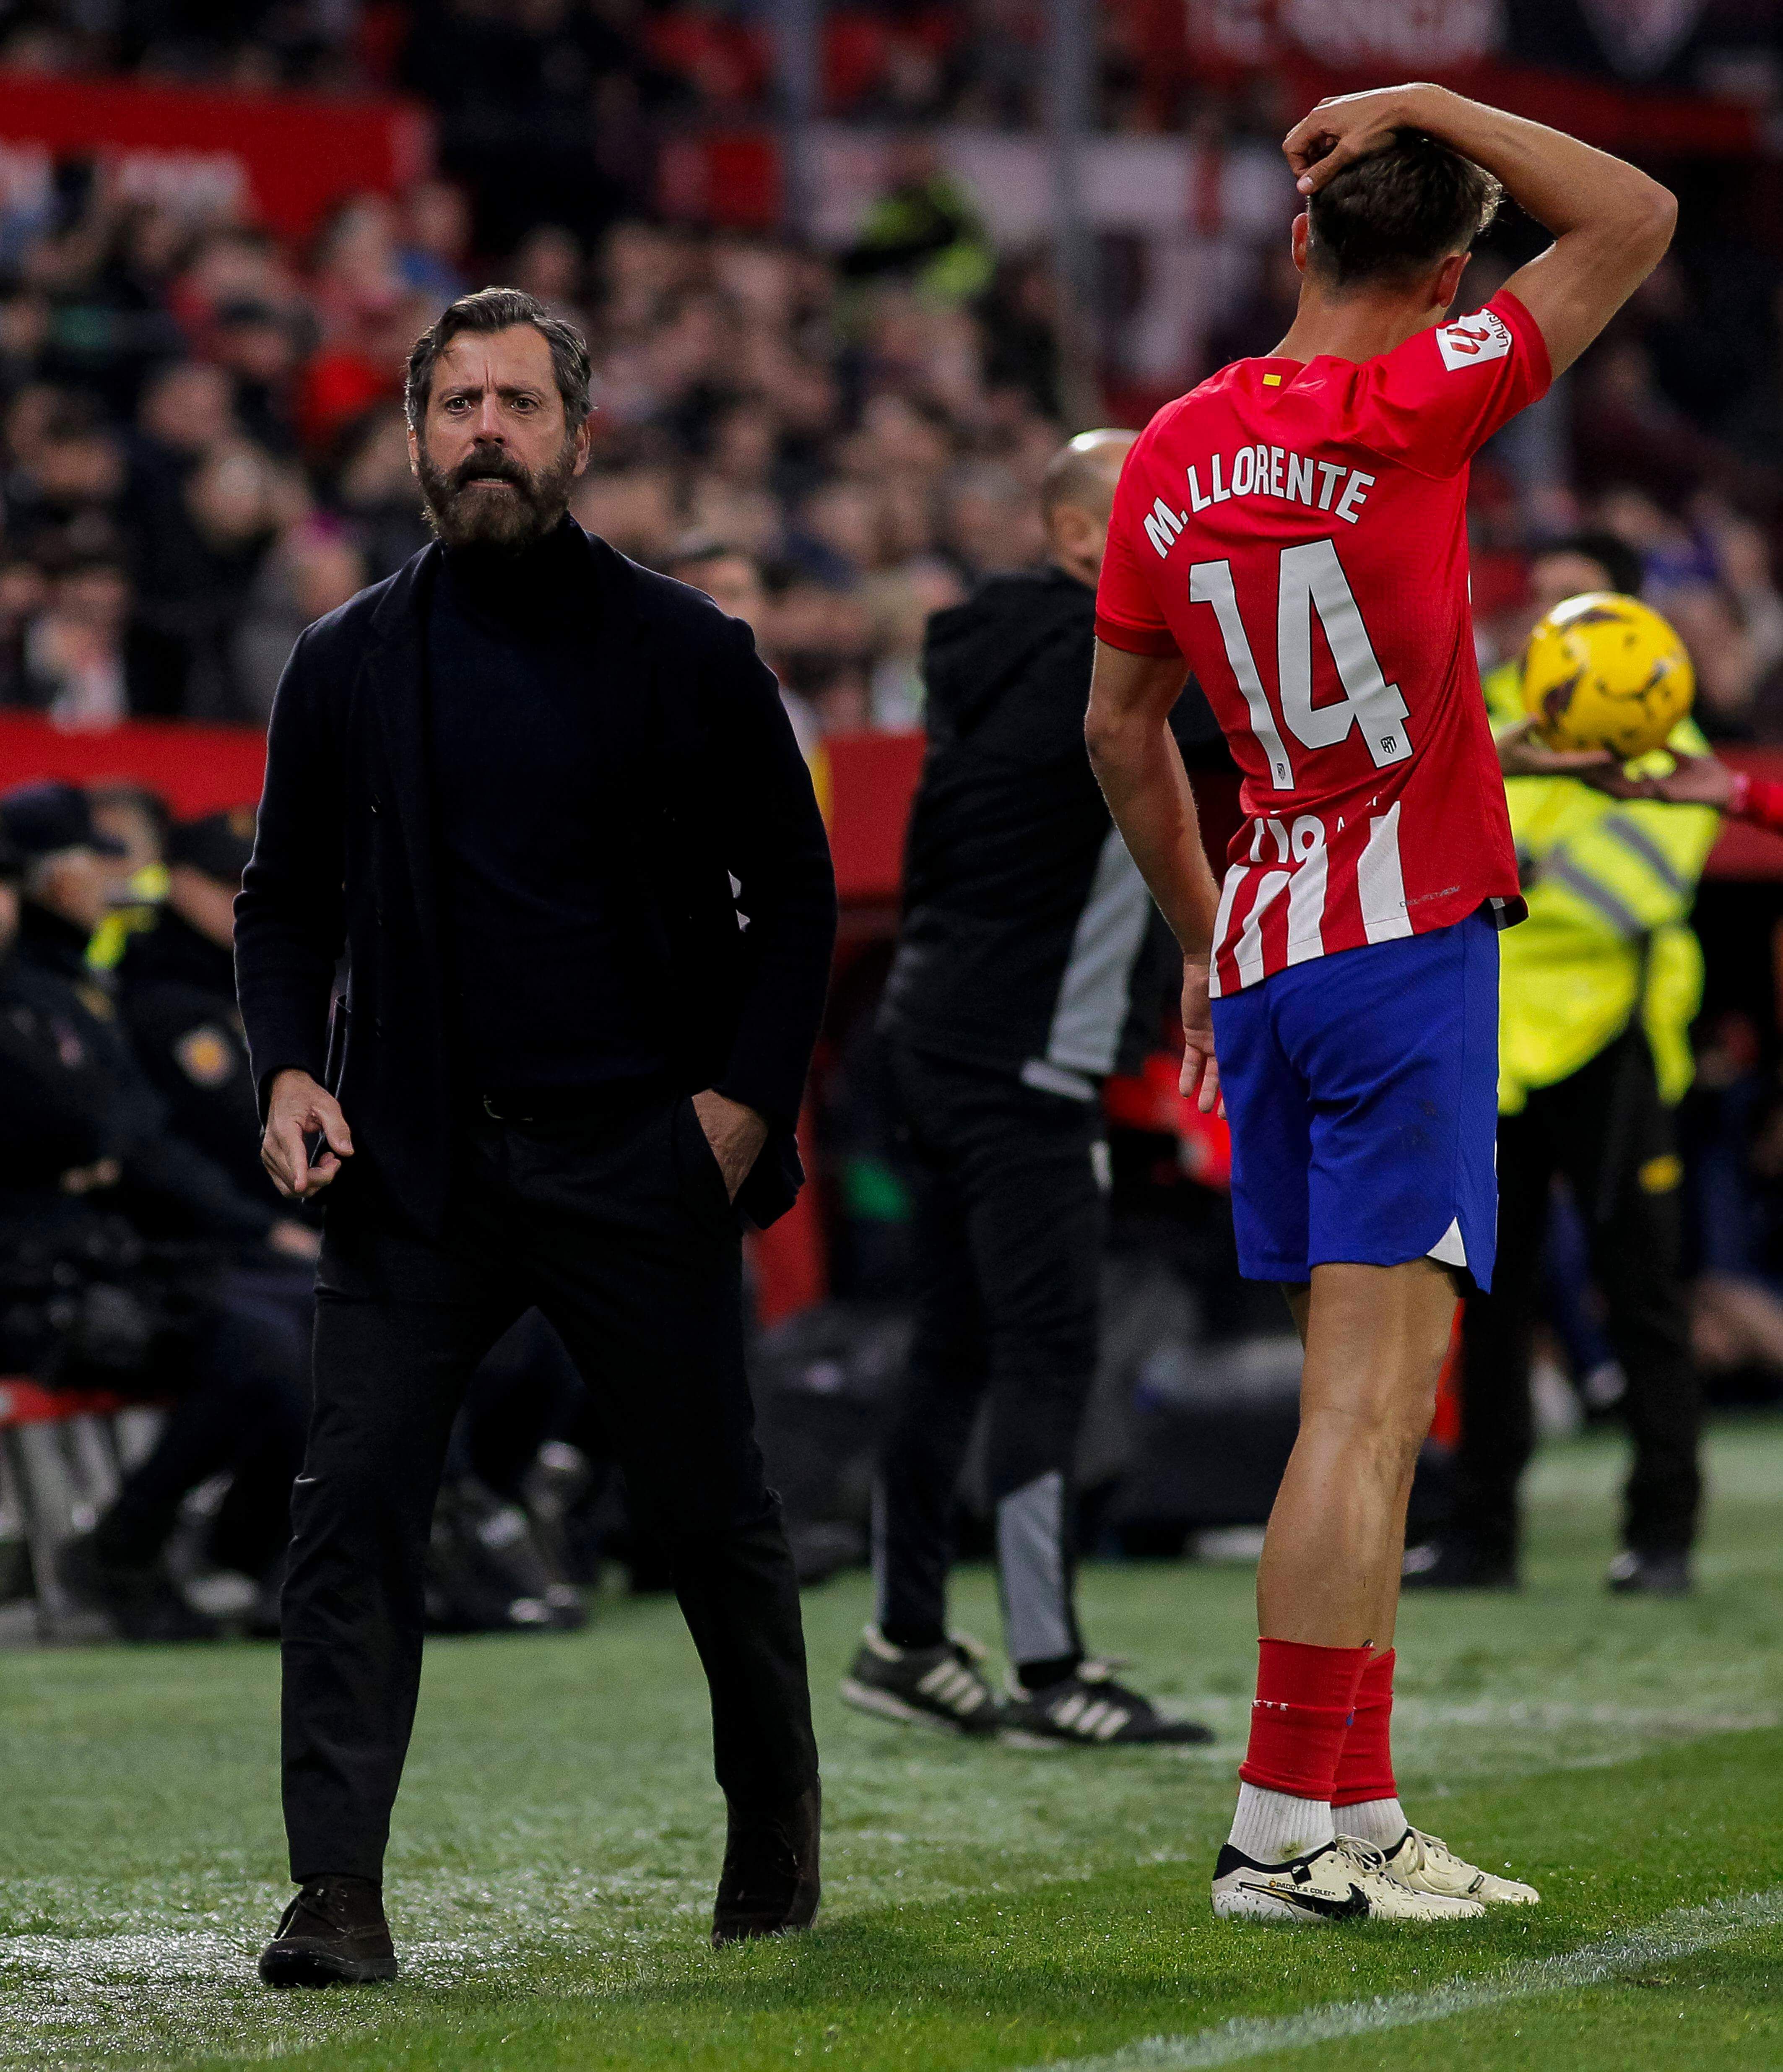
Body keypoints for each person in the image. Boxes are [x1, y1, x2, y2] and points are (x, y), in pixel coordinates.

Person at [1085, 86, 1674, 1923]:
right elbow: (1637, 212)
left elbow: (1117, 730)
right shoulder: (1425, 393)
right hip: (1406, 941)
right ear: (1442, 276)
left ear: (1295, 241)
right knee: (1361, 1417)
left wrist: (1201, 931)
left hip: (1268, 942)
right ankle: (1278, 1824)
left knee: (1370, 1404)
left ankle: (1352, 1808)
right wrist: (1419, 99)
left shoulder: (1166, 449)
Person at [234, 287, 837, 1984]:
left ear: (581, 436)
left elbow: (792, 896)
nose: (483, 429)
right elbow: (282, 906)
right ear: (415, 436)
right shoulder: (343, 659)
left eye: (514, 402)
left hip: (638, 1151)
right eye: (455, 404)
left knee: (714, 1512)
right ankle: (334, 1892)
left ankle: (773, 1823)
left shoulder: (689, 648)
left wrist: (736, 1109)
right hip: (416, 1170)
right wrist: (287, 1067)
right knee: (348, 1505)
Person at [840, 430, 1213, 1747]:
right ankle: (1051, 1668)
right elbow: (1293, 740)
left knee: (951, 1345)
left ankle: (904, 1634)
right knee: (1051, 1347)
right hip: (1021, 1064)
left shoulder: (990, 648)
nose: (1194, 532)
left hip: (927, 1036)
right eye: (1160, 511)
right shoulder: (1113, 662)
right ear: (1074, 540)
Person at [1405, 537, 1719, 1596]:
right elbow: (1422, 834)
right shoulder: (1487, 711)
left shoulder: (1661, 729)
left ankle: (1661, 1534)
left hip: (1608, 1046)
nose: (1548, 617)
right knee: (1486, 1307)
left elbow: (1641, 890)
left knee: (1641, 1297)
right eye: (1537, 594)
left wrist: (1507, 873)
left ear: (1621, 614)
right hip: (1487, 1047)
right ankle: (1479, 1535)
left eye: (1571, 597)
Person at [0, 783, 312, 1636]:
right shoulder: (36, 992)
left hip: (93, 1250)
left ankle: (233, 1549)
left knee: (307, 1320)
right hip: (33, 1270)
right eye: (89, 858)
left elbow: (125, 1128)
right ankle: (133, 1544)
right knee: (262, 1345)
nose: (110, 875)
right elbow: (84, 1120)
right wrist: (102, 1142)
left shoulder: (72, 985)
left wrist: (102, 1140)